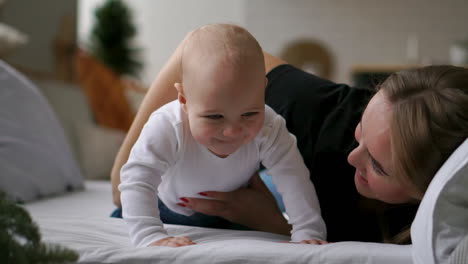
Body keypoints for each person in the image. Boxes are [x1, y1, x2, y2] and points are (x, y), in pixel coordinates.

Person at [112, 24, 468, 245]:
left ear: (427, 190)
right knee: (120, 190)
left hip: (253, 203)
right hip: (176, 186)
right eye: (360, 135)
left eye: (378, 165)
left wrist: (274, 224)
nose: (351, 156)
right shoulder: (314, 110)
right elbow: (206, 42)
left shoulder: (439, 226)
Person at [118, 24, 327, 248]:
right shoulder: (167, 125)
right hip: (166, 208)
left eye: (249, 113)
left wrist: (307, 230)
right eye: (215, 117)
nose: (233, 131)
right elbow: (137, 179)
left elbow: (293, 178)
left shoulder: (270, 126)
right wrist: (149, 235)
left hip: (234, 210)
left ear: (263, 91)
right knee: (128, 211)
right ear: (184, 100)